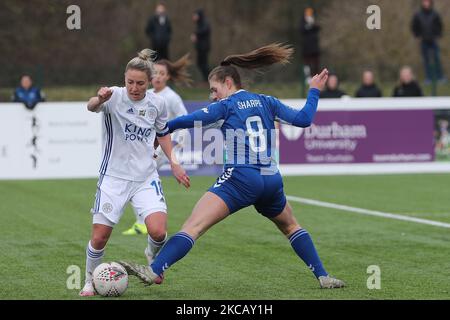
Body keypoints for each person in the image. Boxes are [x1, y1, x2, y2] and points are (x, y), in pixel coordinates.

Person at [119, 43, 345, 289]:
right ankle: (323, 276)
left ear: (228, 83)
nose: (212, 96)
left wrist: (162, 129)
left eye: (214, 89)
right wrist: (314, 90)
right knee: (291, 226)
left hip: (241, 178)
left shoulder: (227, 106)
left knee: (193, 227)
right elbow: (304, 119)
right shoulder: (267, 101)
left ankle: (154, 270)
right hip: (271, 179)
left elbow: (190, 119)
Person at [79, 49, 191, 297]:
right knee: (99, 238)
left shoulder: (157, 104)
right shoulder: (114, 96)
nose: (134, 87)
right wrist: (99, 98)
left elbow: (163, 134)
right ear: (124, 79)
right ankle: (89, 280)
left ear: (149, 82)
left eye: (140, 83)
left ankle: (151, 254)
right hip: (113, 178)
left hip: (145, 177)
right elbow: (90, 106)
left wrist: (174, 162)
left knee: (159, 231)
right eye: (130, 82)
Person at [122, 54, 192, 236]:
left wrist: (176, 143)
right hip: (148, 145)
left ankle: (143, 223)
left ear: (168, 77)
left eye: (162, 73)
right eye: (156, 73)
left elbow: (184, 120)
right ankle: (146, 221)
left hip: (163, 146)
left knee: (138, 176)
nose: (158, 76)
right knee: (137, 177)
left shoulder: (171, 98)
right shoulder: (148, 95)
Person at [411, 0, 446, 84]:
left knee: (436, 59)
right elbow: (414, 26)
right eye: (424, 2)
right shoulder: (418, 15)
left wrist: (438, 35)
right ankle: (428, 78)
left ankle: (440, 77)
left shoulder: (435, 14)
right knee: (426, 60)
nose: (426, 3)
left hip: (433, 40)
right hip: (424, 40)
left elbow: (440, 25)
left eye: (427, 2)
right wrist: (417, 35)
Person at [300, 7, 321, 77]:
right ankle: (307, 77)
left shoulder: (314, 21)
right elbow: (302, 30)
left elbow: (318, 28)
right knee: (307, 63)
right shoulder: (302, 21)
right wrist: (309, 25)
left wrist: (312, 23)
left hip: (314, 47)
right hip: (306, 47)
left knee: (316, 63)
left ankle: (316, 75)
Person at [191, 9, 211, 82]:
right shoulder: (199, 23)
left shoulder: (205, 22)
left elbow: (205, 30)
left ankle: (209, 78)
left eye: (195, 15)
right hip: (200, 47)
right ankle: (207, 78)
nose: (193, 17)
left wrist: (195, 34)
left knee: (204, 64)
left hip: (204, 47)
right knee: (200, 64)